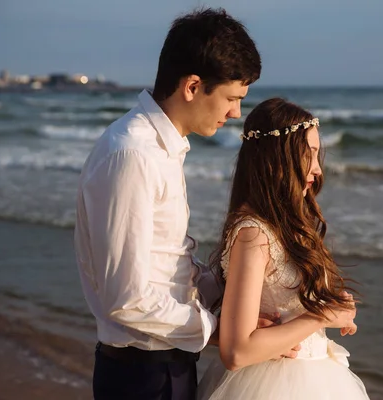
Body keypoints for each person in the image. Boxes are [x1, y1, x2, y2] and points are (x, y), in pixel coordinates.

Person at [73, 8, 272, 400]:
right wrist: (219, 331)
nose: (236, 113)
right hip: (142, 376)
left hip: (163, 366)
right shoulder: (133, 153)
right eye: (231, 98)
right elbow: (125, 299)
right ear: (193, 86)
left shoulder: (162, 149)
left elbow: (166, 264)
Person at [197, 98, 370, 399]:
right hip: (272, 385)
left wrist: (333, 306)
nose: (317, 169)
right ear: (279, 158)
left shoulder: (289, 225)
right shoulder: (254, 234)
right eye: (309, 154)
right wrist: (321, 316)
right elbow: (237, 352)